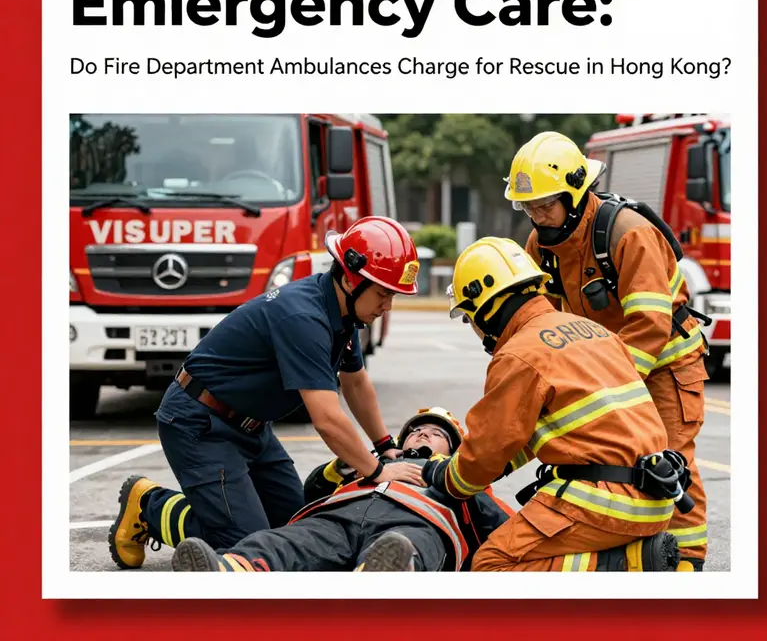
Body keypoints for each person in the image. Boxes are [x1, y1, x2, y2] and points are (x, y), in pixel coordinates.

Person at [109, 216, 425, 570]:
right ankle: (148, 505)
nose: (387, 307)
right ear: (352, 278)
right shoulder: (303, 317)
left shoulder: (344, 316)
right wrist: (377, 470)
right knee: (245, 543)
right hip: (200, 423)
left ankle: (201, 513)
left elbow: (356, 382)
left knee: (297, 529)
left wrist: (384, 444)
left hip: (250, 427)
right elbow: (327, 419)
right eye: (383, 293)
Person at [503, 131, 709, 571]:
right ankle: (641, 555)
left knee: (670, 462)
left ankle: (688, 564)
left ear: (575, 194)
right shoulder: (541, 246)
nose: (537, 216)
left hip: (666, 366)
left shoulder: (629, 233)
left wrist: (608, 384)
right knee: (617, 466)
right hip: (613, 368)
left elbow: (650, 324)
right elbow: (544, 322)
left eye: (545, 205)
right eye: (528, 207)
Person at [421, 237, 686, 572]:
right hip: (658, 495)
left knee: (491, 565)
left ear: (485, 308)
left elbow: (485, 453)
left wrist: (443, 475)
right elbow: (535, 433)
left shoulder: (519, 354)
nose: (474, 329)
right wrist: (494, 464)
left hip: (603, 500)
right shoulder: (594, 331)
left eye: (469, 317)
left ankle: (627, 565)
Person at [170, 407, 514, 572]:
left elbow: (504, 527)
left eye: (436, 434)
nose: (423, 434)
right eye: (417, 429)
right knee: (283, 539)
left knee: (407, 546)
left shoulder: (458, 479)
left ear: (452, 450)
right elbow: (311, 492)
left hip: (419, 522)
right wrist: (342, 467)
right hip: (340, 516)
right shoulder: (373, 464)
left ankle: (385, 577)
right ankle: (225, 570)